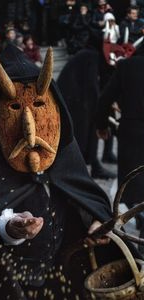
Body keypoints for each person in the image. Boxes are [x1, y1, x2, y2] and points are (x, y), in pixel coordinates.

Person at [0, 44, 128, 300]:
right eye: (15, 109)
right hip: (13, 278)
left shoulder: (63, 144)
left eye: (39, 105)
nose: (29, 127)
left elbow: (81, 191)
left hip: (62, 268)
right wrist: (11, 226)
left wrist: (94, 221)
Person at [96, 42, 144, 254]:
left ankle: (140, 219)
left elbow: (104, 98)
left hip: (132, 132)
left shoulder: (126, 67)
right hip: (132, 132)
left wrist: (101, 125)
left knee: (134, 182)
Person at [57, 48, 116, 179]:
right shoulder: (92, 57)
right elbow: (92, 87)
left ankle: (91, 164)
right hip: (72, 97)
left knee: (90, 124)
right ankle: (83, 167)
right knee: (84, 129)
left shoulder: (93, 57)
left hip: (75, 95)